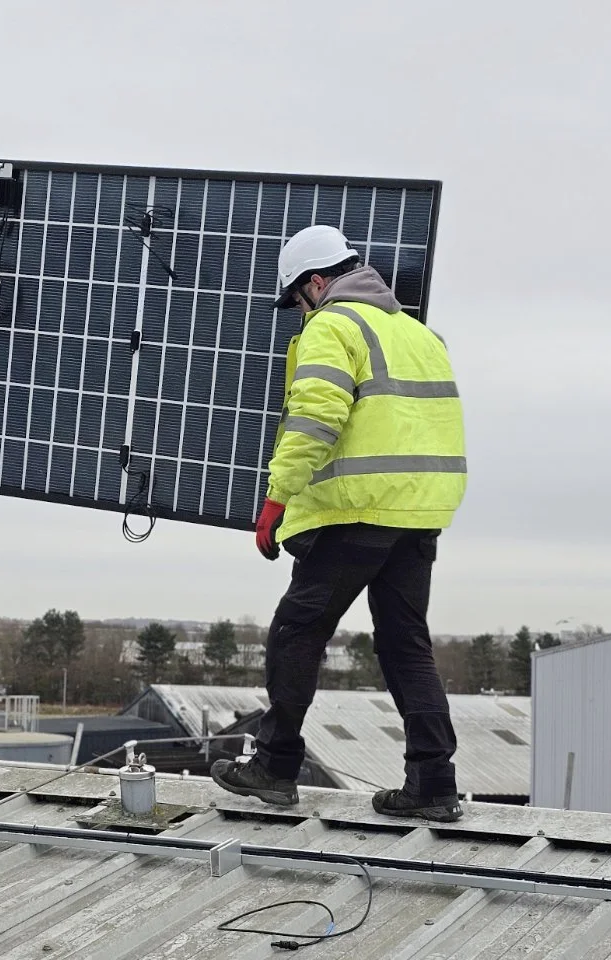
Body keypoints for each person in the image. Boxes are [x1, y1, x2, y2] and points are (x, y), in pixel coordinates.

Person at [210, 226, 467, 821]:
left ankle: (274, 766)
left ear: (317, 282)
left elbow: (316, 415)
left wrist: (277, 498)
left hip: (357, 509)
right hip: (420, 511)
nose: (299, 312)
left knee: (297, 630)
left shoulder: (333, 324)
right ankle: (433, 783)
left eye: (298, 299)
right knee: (406, 644)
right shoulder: (420, 334)